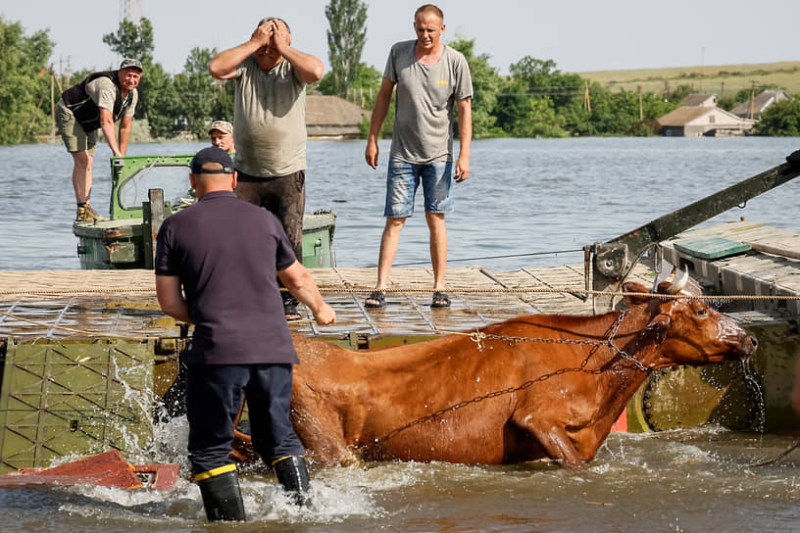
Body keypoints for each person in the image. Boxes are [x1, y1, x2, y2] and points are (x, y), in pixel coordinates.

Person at [154, 146, 336, 522]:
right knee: (279, 439)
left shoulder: (174, 227)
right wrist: (322, 310)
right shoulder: (265, 221)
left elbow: (169, 303)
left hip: (218, 352)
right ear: (235, 180)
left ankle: (231, 527)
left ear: (193, 182)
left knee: (209, 449)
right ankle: (305, 518)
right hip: (273, 348)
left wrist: (208, 316)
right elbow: (298, 278)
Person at [209, 17, 324, 321]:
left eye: (276, 40)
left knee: (288, 238)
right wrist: (255, 43)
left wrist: (282, 47)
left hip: (287, 171)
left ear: (288, 41)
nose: (268, 47)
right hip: (246, 172)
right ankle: (240, 296)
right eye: (264, 39)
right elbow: (215, 68)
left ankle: (287, 302)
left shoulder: (293, 69)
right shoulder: (245, 67)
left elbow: (315, 70)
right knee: (238, 238)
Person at [364, 4, 473, 309]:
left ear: (442, 29)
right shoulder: (399, 53)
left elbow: (464, 110)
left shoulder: (455, 61)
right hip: (402, 154)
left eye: (430, 30)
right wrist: (372, 139)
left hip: (439, 155)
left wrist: (464, 154)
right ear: (414, 26)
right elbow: (384, 96)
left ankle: (439, 288)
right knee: (395, 220)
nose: (424, 35)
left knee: (435, 218)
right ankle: (380, 287)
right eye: (419, 28)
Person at [55, 58, 143, 223]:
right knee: (83, 160)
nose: (131, 80)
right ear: (120, 72)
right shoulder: (107, 85)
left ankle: (86, 209)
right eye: (128, 75)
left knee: (89, 163)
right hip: (70, 112)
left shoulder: (132, 95)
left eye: (135, 77)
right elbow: (106, 121)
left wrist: (121, 157)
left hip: (88, 120)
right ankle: (82, 209)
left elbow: (125, 127)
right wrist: (115, 152)